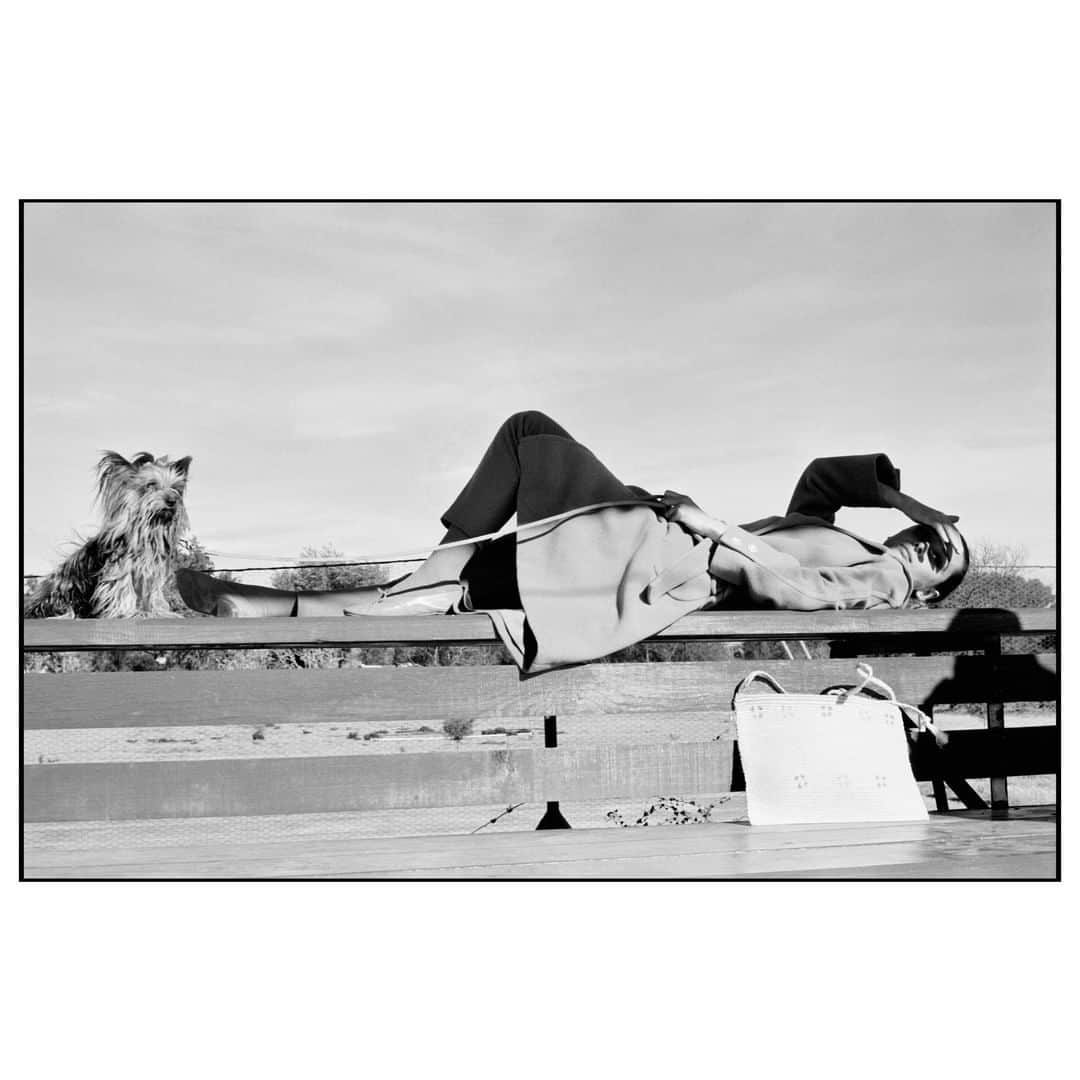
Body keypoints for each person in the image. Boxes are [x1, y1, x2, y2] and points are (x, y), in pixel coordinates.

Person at [177, 410, 969, 673]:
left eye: (945, 560)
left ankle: (413, 583)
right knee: (446, 589)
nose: (933, 547)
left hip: (655, 559)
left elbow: (790, 590)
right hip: (634, 547)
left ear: (931, 588)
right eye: (931, 537)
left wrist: (707, 523)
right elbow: (822, 484)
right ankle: (248, 607)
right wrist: (903, 497)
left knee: (530, 435)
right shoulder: (853, 536)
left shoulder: (884, 581)